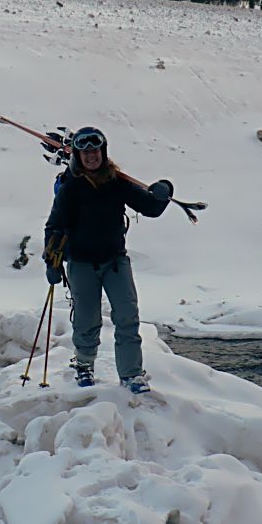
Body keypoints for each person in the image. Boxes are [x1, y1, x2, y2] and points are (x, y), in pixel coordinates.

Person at [44, 126, 173, 393]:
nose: (91, 156)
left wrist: (164, 192)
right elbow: (55, 226)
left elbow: (149, 208)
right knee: (86, 319)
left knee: (127, 317)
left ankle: (131, 374)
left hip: (115, 261)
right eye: (86, 152)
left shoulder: (117, 183)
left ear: (103, 152)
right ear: (78, 156)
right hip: (81, 264)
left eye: (95, 151)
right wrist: (52, 263)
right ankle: (84, 365)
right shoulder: (71, 189)